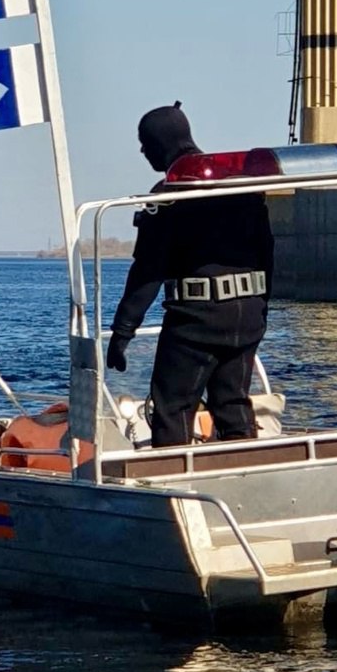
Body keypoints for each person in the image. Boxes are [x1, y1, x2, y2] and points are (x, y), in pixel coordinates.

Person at [107, 103, 274, 448]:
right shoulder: (239, 186)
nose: (142, 151)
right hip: (248, 316)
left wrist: (123, 331)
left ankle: (174, 490)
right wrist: (261, 306)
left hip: (197, 321)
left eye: (144, 143)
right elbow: (267, 252)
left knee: (173, 407)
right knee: (232, 403)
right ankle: (243, 474)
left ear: (159, 143)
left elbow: (148, 271)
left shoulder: (170, 193)